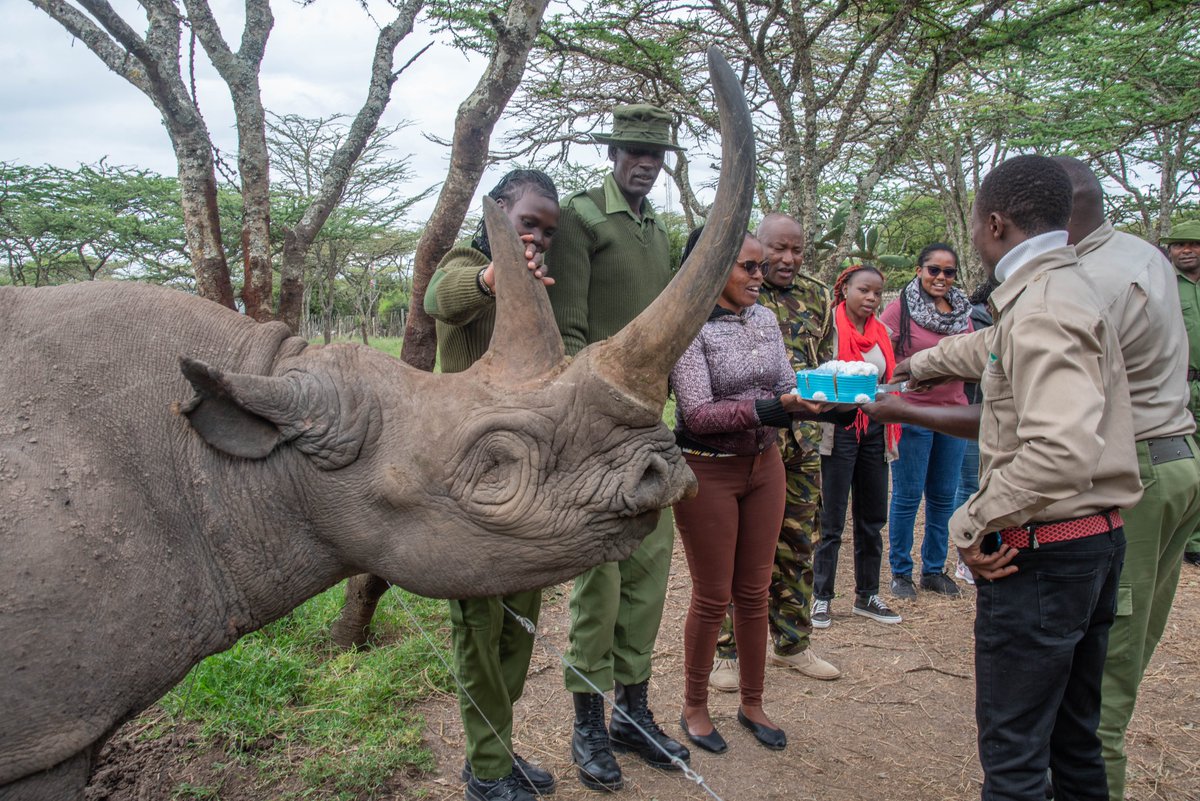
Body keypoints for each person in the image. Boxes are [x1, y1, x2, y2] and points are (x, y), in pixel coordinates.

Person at [901, 155, 1141, 801]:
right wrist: (917, 366)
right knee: (1073, 741)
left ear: (995, 224)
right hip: (1094, 541)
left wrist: (969, 521)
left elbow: (1058, 452)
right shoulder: (1066, 287)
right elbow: (997, 348)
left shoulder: (1041, 306)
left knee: (1014, 758)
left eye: (978, 226)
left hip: (1040, 554)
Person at [543, 104, 689, 792]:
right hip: (596, 429)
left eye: (655, 154)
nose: (644, 162)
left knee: (648, 574)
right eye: (634, 150)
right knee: (597, 583)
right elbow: (569, 332)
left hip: (649, 427)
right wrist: (586, 423)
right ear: (612, 151)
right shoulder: (581, 218)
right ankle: (588, 721)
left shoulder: (660, 229)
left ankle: (632, 710)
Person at [424, 170, 561, 801]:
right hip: (469, 477)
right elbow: (440, 298)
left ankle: (497, 747)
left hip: (523, 476)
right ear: (495, 215)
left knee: (518, 621)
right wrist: (494, 275)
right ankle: (485, 769)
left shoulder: (538, 290)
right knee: (478, 627)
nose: (535, 237)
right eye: (526, 222)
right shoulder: (469, 265)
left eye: (545, 230)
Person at [670, 228, 829, 755]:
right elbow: (695, 411)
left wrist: (818, 398)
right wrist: (771, 408)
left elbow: (785, 378)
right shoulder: (688, 326)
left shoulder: (763, 317)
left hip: (766, 465)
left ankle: (753, 703)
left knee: (755, 594)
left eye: (761, 267)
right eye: (749, 267)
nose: (761, 277)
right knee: (713, 596)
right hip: (708, 469)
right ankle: (695, 706)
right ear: (715, 268)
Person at [709, 212, 841, 694]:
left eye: (797, 250)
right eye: (777, 250)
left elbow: (827, 364)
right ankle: (725, 650)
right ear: (756, 248)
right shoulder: (733, 286)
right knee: (735, 548)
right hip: (744, 440)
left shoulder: (817, 297)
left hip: (801, 442)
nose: (787, 260)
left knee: (799, 541)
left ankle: (792, 644)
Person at [810, 264, 902, 629]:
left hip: (874, 430)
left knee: (872, 518)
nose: (871, 299)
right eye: (864, 290)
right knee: (831, 519)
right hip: (839, 428)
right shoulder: (828, 327)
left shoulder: (881, 332)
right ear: (844, 287)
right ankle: (821, 596)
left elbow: (886, 377)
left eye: (877, 293)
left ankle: (867, 594)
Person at [879, 244, 972, 599]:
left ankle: (934, 569)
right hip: (912, 412)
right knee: (907, 496)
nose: (941, 278)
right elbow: (884, 355)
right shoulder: (900, 309)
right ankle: (901, 572)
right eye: (934, 270)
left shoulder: (962, 312)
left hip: (953, 414)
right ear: (919, 270)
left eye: (948, 272)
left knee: (943, 497)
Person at [952, 280, 996, 585]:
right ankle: (963, 554)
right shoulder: (978, 320)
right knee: (969, 485)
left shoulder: (972, 318)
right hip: (973, 410)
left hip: (980, 412)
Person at [1166, 219, 1200, 569]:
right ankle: (1189, 540)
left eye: (1192, 244)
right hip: (1179, 383)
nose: (1185, 250)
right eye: (1178, 245)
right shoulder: (1165, 285)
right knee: (1182, 458)